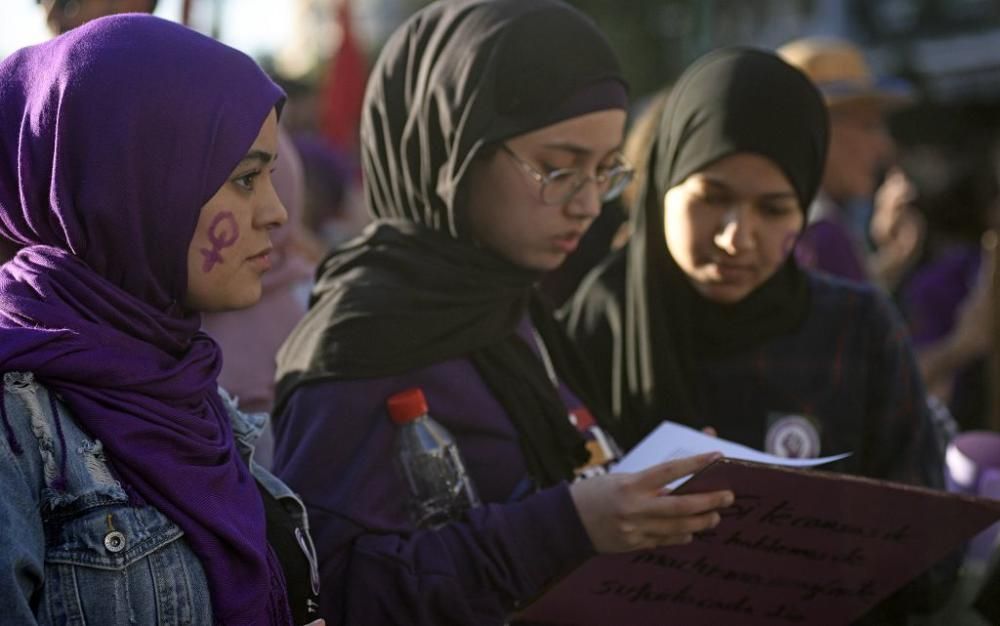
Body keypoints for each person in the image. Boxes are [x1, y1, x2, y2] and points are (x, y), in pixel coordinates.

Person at [270, 1, 734, 624]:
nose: (589, 203)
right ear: (454, 149)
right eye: (559, 167)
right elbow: (328, 592)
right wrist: (564, 527)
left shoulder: (511, 308)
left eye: (605, 171)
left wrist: (648, 491)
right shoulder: (362, 340)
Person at [562, 47, 953, 623]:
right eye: (712, 198)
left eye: (773, 209)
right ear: (664, 180)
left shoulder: (856, 329)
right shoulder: (594, 322)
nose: (735, 238)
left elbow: (927, 556)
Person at [0, 15, 322, 625]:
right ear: (134, 185)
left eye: (270, 178)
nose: (277, 213)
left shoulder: (186, 381)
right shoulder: (16, 424)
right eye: (245, 178)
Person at [779, 36, 916, 288]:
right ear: (817, 131)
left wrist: (893, 257)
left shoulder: (797, 226)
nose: (883, 147)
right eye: (868, 126)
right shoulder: (820, 236)